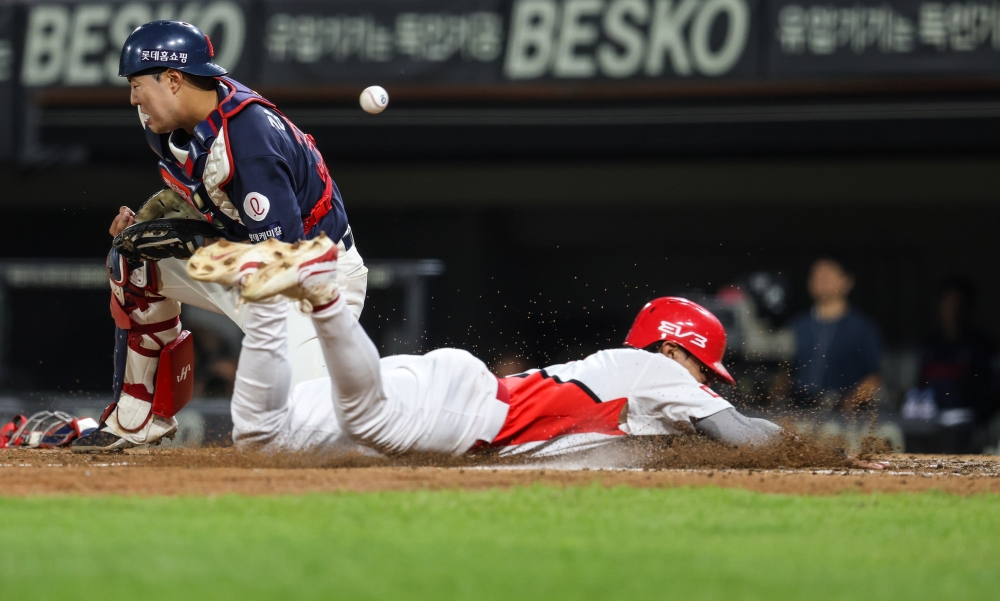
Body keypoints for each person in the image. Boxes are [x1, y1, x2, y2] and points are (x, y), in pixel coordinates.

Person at [188, 239, 793, 458]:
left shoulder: (636, 392)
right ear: (676, 350)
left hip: (443, 394)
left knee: (261, 436)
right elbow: (740, 433)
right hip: (469, 415)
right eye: (702, 365)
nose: (705, 380)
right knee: (365, 416)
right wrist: (817, 448)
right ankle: (321, 294)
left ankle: (264, 303)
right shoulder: (661, 373)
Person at [75, 20, 368, 451]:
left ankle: (443, 409)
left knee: (304, 439)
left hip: (314, 284)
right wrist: (169, 225)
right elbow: (215, 198)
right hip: (251, 270)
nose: (133, 97)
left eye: (137, 84)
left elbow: (284, 260)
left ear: (173, 80)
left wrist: (198, 241)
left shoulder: (251, 139)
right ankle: (137, 417)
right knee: (132, 255)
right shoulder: (171, 123)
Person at [903, 277, 998, 453]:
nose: (952, 309)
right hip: (929, 421)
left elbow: (991, 391)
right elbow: (920, 384)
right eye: (948, 302)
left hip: (966, 422)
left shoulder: (981, 345)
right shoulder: (930, 344)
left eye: (958, 303)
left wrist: (979, 418)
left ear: (969, 307)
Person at [778, 258, 882, 411]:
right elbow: (785, 371)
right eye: (815, 276)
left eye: (827, 276)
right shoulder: (798, 325)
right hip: (799, 411)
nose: (820, 280)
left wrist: (850, 402)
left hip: (842, 414)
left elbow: (873, 378)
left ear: (847, 282)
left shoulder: (861, 328)